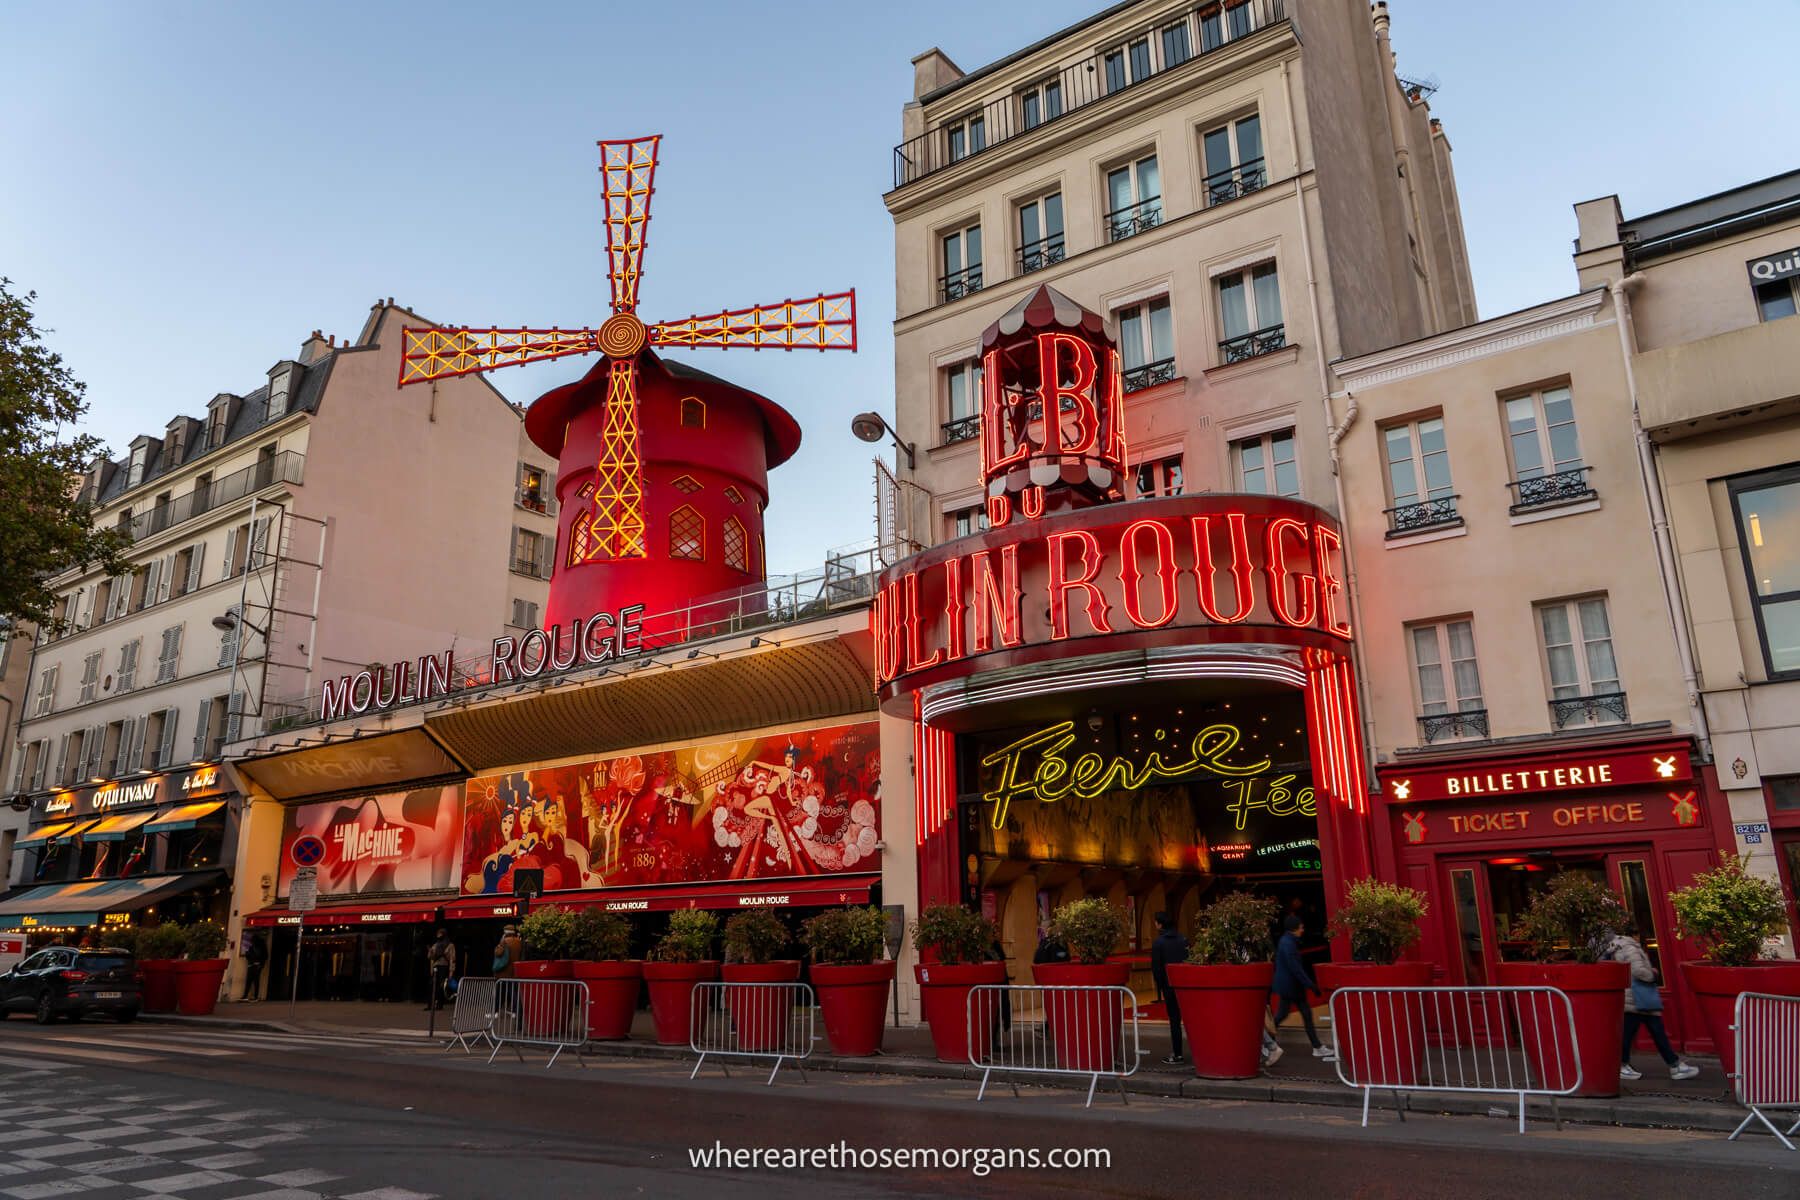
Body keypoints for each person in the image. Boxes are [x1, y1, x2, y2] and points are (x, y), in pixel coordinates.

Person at [1611, 927, 1699, 1082]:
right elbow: (1638, 970)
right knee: (1644, 1033)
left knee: (1648, 1032)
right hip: (1637, 997)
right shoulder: (1630, 946)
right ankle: (1624, 1065)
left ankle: (1674, 1065)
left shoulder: (1618, 945)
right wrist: (1652, 974)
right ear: (1633, 934)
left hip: (1635, 998)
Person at [1272, 914, 1334, 1060]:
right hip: (1292, 986)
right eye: (1301, 927)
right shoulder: (1289, 943)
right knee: (1303, 1015)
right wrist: (1311, 985)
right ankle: (1317, 1047)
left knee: (1286, 1014)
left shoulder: (1286, 941)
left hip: (1289, 985)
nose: (1302, 930)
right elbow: (1295, 968)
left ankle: (1266, 1042)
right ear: (1294, 928)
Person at [1149, 911, 1188, 1065]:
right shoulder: (1183, 940)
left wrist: (1162, 985)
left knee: (1174, 1020)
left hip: (1169, 986)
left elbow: (1156, 968)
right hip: (1185, 985)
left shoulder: (1159, 943)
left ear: (1159, 924)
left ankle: (1178, 1053)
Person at [426, 928, 456, 1011]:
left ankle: (439, 1004)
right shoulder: (435, 945)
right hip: (436, 966)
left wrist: (451, 971)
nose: (438, 935)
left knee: (441, 986)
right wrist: (430, 952)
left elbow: (452, 959)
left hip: (444, 967)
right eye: (438, 933)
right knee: (431, 985)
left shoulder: (450, 945)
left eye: (440, 933)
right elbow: (430, 957)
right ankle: (430, 1005)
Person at [241, 933, 267, 1002]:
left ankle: (249, 996)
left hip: (254, 965)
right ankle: (252, 996)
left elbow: (264, 956)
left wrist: (258, 963)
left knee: (252, 981)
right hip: (255, 965)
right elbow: (265, 956)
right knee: (254, 981)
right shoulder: (257, 946)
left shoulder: (254, 947)